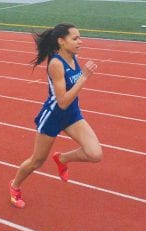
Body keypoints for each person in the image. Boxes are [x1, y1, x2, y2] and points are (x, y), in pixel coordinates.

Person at [9, 23, 103, 208]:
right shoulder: (56, 64)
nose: (80, 42)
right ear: (61, 41)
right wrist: (84, 77)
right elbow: (62, 101)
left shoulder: (73, 56)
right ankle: (15, 185)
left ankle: (62, 159)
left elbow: (69, 102)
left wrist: (82, 76)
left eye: (80, 37)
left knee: (95, 154)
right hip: (53, 116)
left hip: (72, 114)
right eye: (75, 38)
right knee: (37, 161)